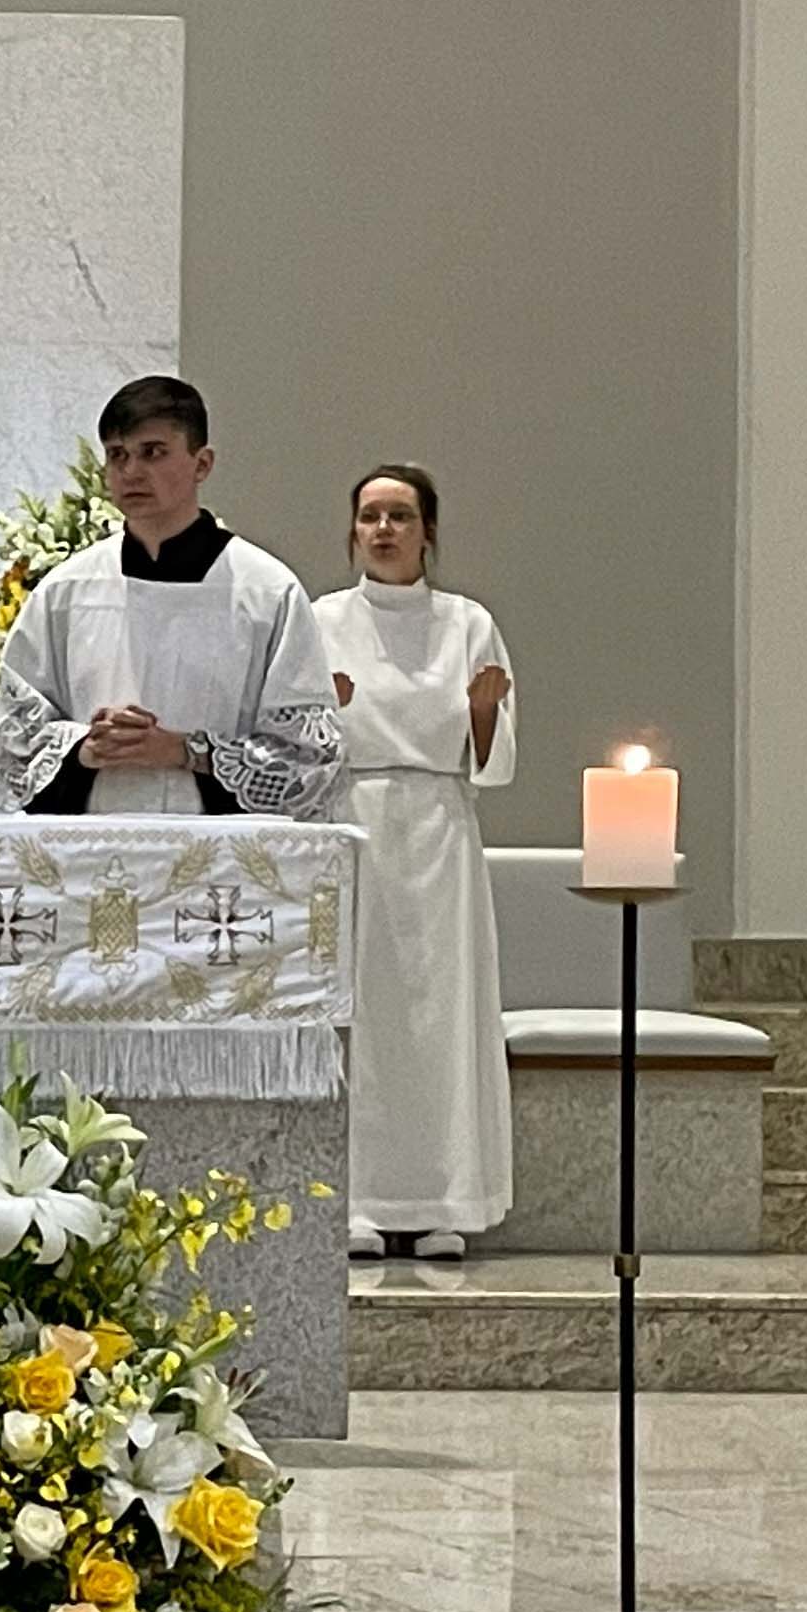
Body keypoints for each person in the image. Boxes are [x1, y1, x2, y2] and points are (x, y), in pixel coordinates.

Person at [0, 375, 343, 820]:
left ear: (202, 464)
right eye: (118, 455)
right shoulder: (66, 590)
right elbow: (8, 746)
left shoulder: (267, 592)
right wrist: (84, 749)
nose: (131, 472)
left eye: (152, 452)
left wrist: (186, 751)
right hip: (91, 844)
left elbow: (310, 761)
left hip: (222, 852)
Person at [314, 465, 515, 1262]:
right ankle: (359, 1199)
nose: (384, 530)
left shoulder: (467, 623)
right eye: (370, 516)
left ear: (428, 530)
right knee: (362, 1012)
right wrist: (321, 715)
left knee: (439, 1015)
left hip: (437, 833)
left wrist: (483, 714)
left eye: (400, 515)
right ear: (353, 530)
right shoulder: (322, 621)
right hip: (353, 823)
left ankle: (442, 1202)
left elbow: (491, 757)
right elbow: (295, 741)